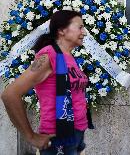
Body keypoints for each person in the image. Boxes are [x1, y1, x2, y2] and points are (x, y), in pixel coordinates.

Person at [1, 10, 89, 154]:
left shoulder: (69, 57)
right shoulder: (49, 55)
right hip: (57, 139)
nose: (84, 32)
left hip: (77, 134)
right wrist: (30, 136)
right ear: (61, 30)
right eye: (80, 27)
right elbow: (10, 95)